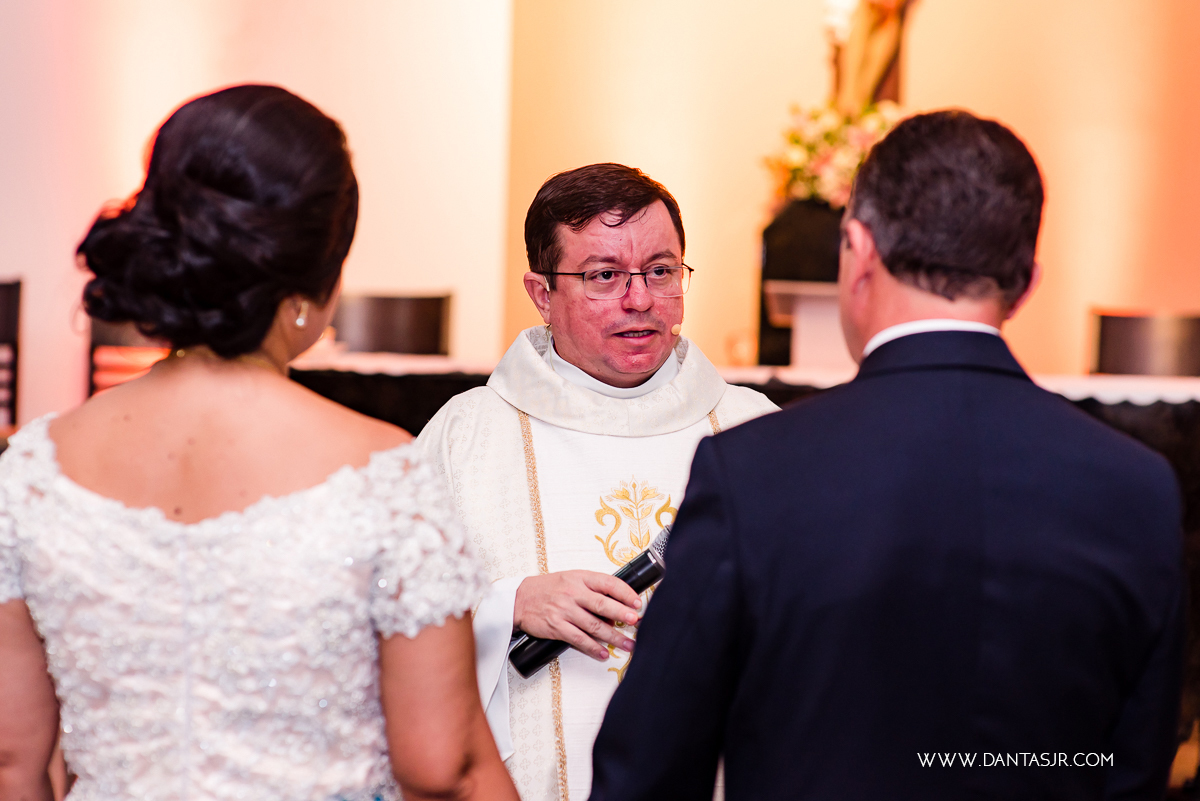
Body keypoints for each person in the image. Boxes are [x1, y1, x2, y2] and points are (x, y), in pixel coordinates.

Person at [589, 110, 1185, 800]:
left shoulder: (754, 472)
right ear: (1025, 280)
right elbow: (1138, 765)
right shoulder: (1137, 488)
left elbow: (647, 770)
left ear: (859, 249)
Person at [0, 85, 517, 801]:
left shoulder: (34, 469)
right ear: (314, 276)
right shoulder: (381, 470)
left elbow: (13, 762)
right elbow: (442, 763)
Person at [414, 163, 777, 799]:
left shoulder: (755, 430)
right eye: (604, 276)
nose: (639, 301)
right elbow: (384, 608)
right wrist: (508, 606)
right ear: (540, 292)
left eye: (661, 271)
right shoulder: (468, 435)